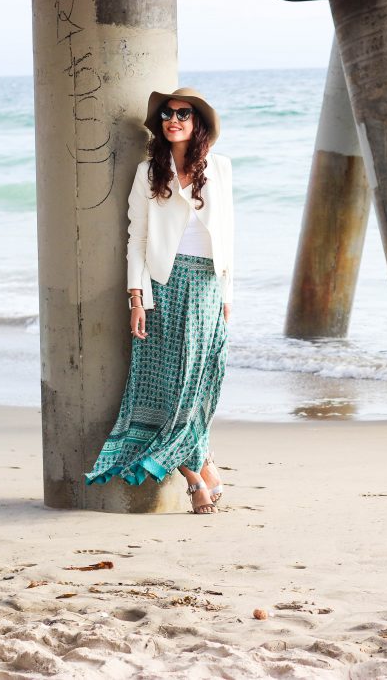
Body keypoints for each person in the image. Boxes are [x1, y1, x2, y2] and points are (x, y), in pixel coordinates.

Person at [85, 88, 235, 515]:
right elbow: (137, 239)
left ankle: (203, 459)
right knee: (171, 385)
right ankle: (194, 478)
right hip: (163, 285)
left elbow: (229, 235)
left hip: (207, 284)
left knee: (204, 379)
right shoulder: (149, 171)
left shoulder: (221, 169)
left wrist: (228, 295)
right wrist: (137, 298)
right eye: (167, 114)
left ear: (198, 122)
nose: (173, 119)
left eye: (183, 113)